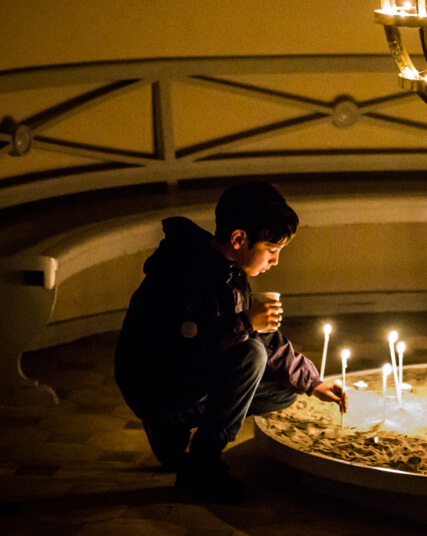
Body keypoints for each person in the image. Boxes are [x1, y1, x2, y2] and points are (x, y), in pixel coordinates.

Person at [115, 181, 345, 503]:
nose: (275, 261)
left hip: (191, 379)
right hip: (159, 385)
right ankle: (201, 465)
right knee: (250, 355)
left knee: (285, 388)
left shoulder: (229, 272)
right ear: (239, 239)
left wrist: (313, 383)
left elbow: (266, 340)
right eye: (272, 250)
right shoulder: (185, 274)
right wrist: (247, 322)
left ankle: (172, 428)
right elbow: (183, 352)